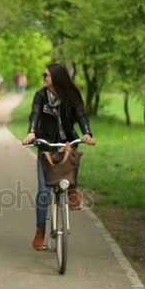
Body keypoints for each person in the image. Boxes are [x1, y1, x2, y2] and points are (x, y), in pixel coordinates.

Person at [22, 63, 95, 250]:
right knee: (44, 191)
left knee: (72, 161)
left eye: (46, 74)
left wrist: (86, 133)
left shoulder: (72, 95)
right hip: (46, 145)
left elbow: (81, 115)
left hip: (67, 143)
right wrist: (31, 133)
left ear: (57, 76)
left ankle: (72, 190)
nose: (43, 77)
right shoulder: (40, 96)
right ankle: (40, 231)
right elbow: (35, 115)